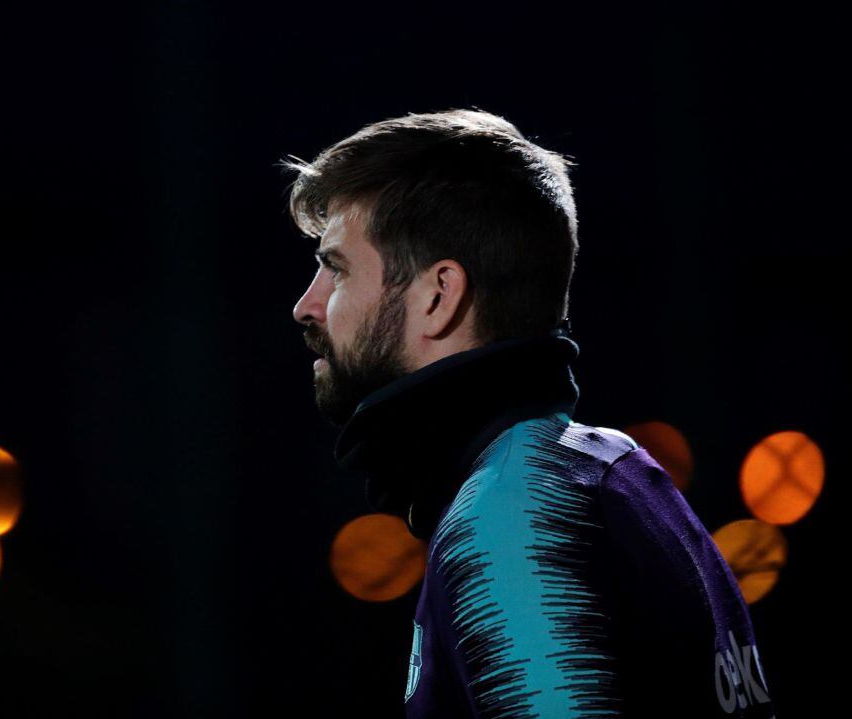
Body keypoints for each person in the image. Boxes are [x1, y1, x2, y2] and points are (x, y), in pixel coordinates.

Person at [284, 109, 776, 718]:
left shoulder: (510, 519)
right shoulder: (613, 471)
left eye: (335, 268)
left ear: (438, 296)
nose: (307, 306)